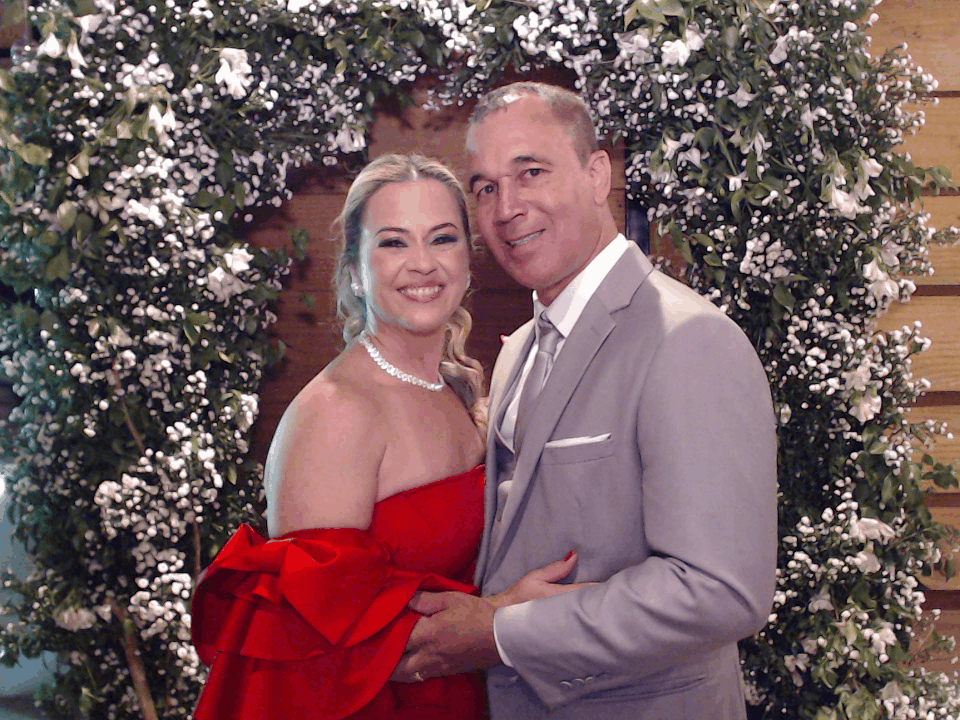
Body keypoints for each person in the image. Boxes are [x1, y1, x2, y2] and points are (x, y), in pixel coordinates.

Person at [392, 82, 779, 719]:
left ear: (598, 174)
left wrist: (500, 632)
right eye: (485, 188)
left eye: (531, 172)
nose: (507, 208)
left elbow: (720, 591)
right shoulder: (519, 348)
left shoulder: (688, 339)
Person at [191, 153, 494, 719]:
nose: (422, 263)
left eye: (442, 239)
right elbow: (316, 646)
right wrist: (508, 618)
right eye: (394, 243)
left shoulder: (453, 388)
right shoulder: (338, 412)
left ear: (467, 259)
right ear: (355, 269)